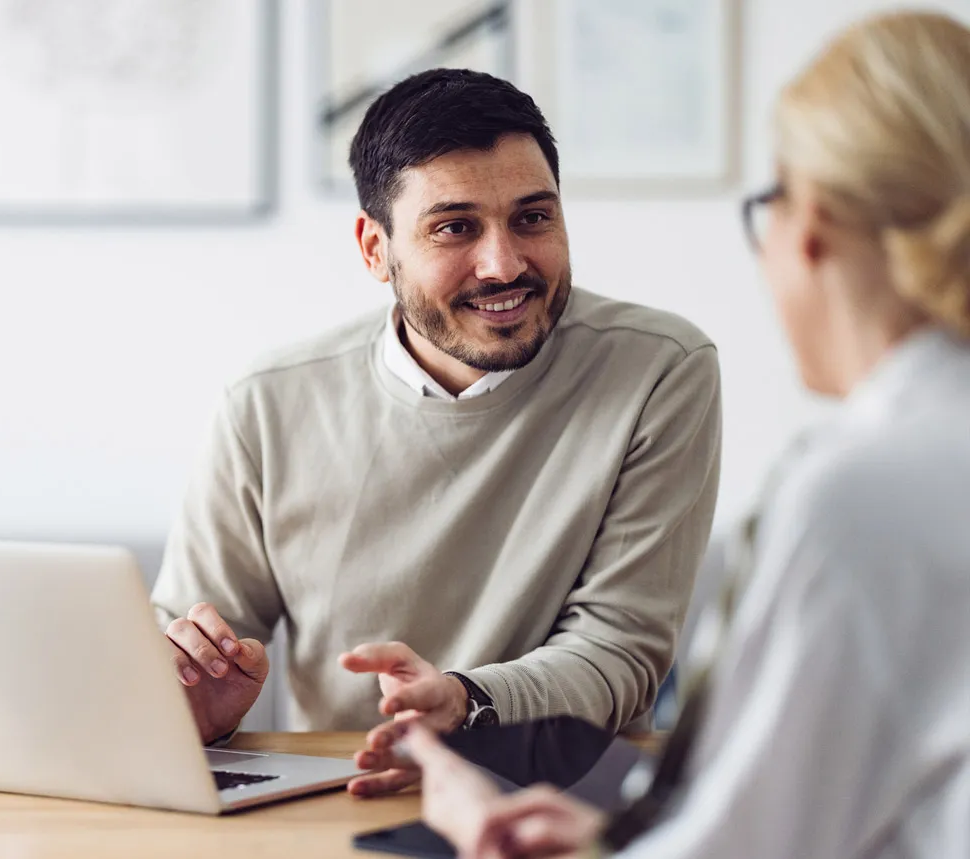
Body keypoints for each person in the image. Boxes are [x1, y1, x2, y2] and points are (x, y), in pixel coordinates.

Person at [401, 10, 970, 857]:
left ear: (807, 224)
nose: (502, 265)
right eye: (455, 227)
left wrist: (481, 825)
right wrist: (613, 833)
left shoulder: (857, 491)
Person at [151, 69, 723, 795]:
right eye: (455, 227)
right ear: (374, 248)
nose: (505, 264)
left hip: (562, 797)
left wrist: (467, 700)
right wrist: (196, 702)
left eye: (532, 217)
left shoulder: (660, 370)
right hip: (339, 793)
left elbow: (620, 648)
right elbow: (190, 645)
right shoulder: (268, 401)